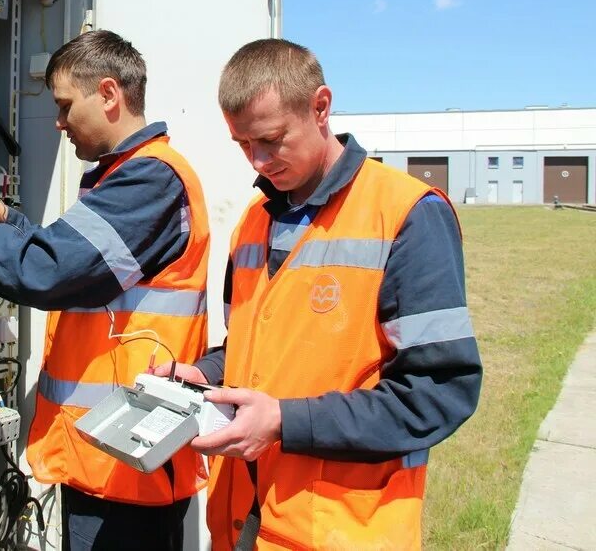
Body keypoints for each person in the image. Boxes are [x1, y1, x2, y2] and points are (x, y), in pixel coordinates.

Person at [156, 39, 483, 549]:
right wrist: (201, 376)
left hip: (341, 528)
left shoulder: (406, 214)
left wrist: (287, 421)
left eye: (270, 139)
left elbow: (439, 393)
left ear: (321, 106)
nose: (258, 161)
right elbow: (244, 347)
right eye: (242, 144)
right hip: (245, 521)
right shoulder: (253, 224)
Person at [0, 30, 211, 550]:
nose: (59, 122)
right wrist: (1, 216)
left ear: (110, 94)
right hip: (113, 454)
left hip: (125, 464)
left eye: (67, 105)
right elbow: (74, 265)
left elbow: (48, 274)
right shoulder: (131, 177)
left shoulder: (148, 181)